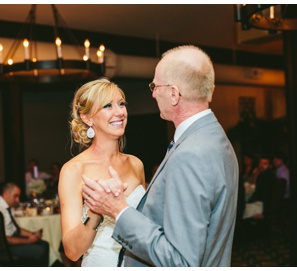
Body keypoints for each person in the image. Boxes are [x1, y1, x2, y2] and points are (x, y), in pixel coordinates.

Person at [82, 45, 239, 267]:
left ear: (174, 94)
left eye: (155, 86)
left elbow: (180, 261)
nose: (153, 93)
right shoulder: (216, 138)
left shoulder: (190, 154)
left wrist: (119, 210)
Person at [57, 78, 147, 267]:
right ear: (87, 118)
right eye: (108, 106)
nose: (119, 112)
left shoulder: (135, 164)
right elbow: (72, 252)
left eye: (121, 104)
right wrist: (96, 211)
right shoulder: (73, 170)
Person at [0, 182, 49, 266]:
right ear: (6, 194)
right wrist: (28, 241)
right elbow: (5, 239)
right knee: (40, 250)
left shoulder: (5, 205)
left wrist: (32, 234)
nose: (18, 200)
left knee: (45, 244)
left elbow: (15, 229)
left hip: (8, 241)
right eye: (15, 196)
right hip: (1, 248)